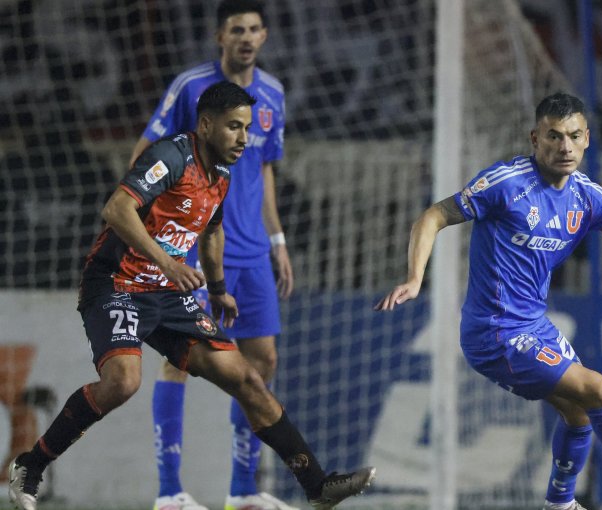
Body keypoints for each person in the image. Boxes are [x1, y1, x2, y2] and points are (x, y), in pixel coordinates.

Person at [7, 81, 375, 510]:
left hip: (167, 293)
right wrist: (167, 263)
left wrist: (217, 289)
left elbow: (212, 231)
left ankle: (316, 485)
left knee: (246, 378)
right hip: (116, 284)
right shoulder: (170, 156)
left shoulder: (221, 174)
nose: (243, 138)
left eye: (247, 128)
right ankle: (31, 465)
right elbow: (116, 210)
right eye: (234, 127)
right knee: (123, 382)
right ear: (205, 124)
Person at [375, 92, 602, 510]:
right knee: (597, 388)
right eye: (553, 136)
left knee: (579, 414)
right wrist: (415, 276)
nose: (564, 147)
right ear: (535, 138)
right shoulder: (506, 183)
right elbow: (434, 215)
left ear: (586, 138)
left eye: (573, 136)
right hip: (493, 332)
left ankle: (559, 504)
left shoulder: (588, 197)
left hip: (534, 326)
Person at [128, 2, 296, 509]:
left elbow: (264, 169)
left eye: (253, 30)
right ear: (219, 37)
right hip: (196, 249)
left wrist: (278, 239)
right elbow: (144, 153)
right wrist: (162, 226)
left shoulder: (273, 94)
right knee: (181, 361)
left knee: (261, 360)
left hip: (251, 252)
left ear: (264, 36)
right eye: (236, 30)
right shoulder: (190, 86)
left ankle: (243, 492)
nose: (245, 38)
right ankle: (169, 493)